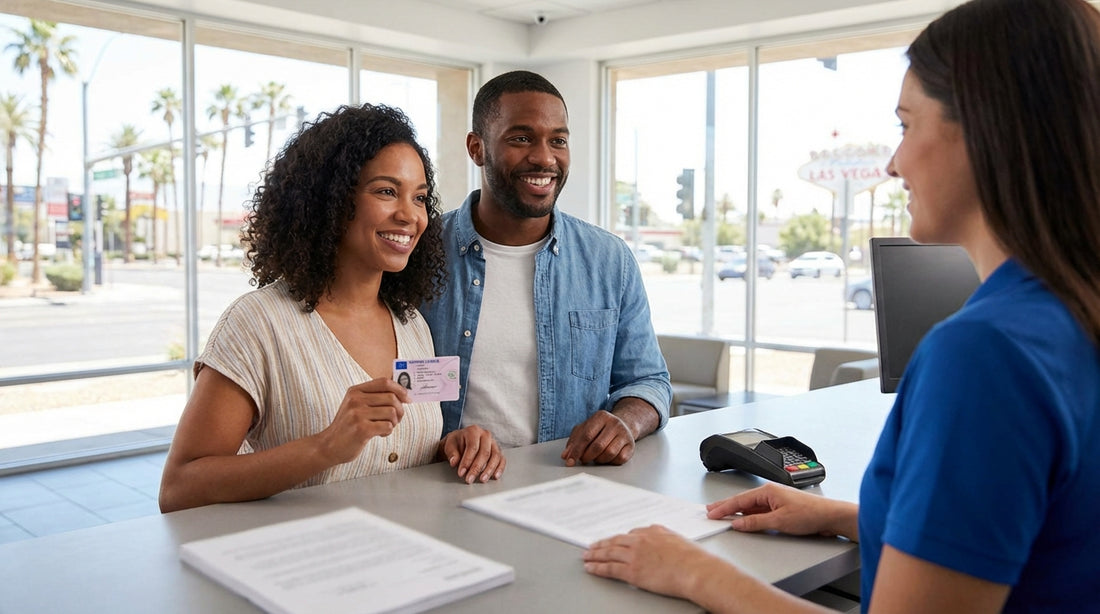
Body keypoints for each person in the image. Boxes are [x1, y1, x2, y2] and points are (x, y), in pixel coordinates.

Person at [582, 0, 1100, 611]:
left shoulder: (984, 355)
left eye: (907, 125)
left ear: (988, 131)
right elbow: (1041, 534)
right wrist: (847, 516)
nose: (894, 162)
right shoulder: (1066, 318)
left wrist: (697, 573)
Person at [159, 104, 506, 513]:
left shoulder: (412, 323)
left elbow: (396, 452)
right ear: (331, 199)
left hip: (406, 558)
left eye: (419, 198)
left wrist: (450, 449)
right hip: (305, 563)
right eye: (386, 191)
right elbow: (179, 488)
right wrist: (326, 447)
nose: (409, 215)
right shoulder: (257, 324)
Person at [421, 70, 672, 466]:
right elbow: (392, 380)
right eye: (521, 138)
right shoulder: (420, 254)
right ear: (477, 148)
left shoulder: (608, 260)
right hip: (443, 482)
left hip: (563, 485)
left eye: (558, 140)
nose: (544, 157)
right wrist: (440, 442)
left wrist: (625, 422)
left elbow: (648, 381)